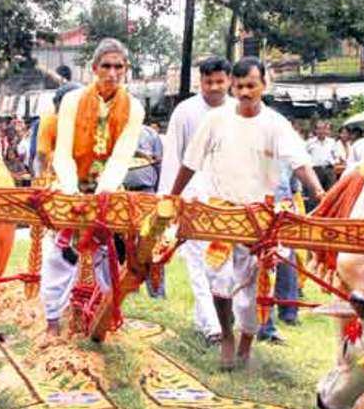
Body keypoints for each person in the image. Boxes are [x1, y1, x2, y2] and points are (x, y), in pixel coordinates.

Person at [171, 56, 324, 370]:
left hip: (259, 217)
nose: (244, 92)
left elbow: (299, 162)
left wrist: (321, 194)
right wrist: (172, 198)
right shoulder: (215, 120)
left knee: (250, 288)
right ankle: (227, 336)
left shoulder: (275, 124)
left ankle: (246, 341)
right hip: (220, 214)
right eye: (239, 86)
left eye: (251, 86)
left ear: (263, 86)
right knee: (218, 282)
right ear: (232, 85)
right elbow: (190, 161)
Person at [41, 38, 144, 337]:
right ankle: (51, 321)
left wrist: (102, 197)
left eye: (119, 67)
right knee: (60, 253)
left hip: (108, 188)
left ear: (126, 70)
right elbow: (62, 152)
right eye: (106, 66)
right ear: (94, 68)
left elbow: (123, 154)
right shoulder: (73, 101)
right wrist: (73, 194)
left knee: (109, 251)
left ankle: (107, 314)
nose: (112, 73)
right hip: (69, 183)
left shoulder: (134, 109)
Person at [158, 56, 234, 345]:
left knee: (222, 266)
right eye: (208, 81)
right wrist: (169, 201)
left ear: (228, 81)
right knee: (196, 262)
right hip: (191, 197)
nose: (214, 87)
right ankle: (213, 327)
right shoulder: (185, 111)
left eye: (219, 81)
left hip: (227, 201)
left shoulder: (238, 112)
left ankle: (205, 318)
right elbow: (173, 157)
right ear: (199, 82)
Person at [305, 120, 337, 190]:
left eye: (323, 128)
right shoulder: (310, 142)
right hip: (316, 170)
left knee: (330, 193)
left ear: (326, 130)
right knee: (316, 192)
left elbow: (336, 155)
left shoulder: (332, 142)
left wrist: (333, 162)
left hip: (329, 169)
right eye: (319, 129)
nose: (321, 131)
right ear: (315, 130)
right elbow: (304, 156)